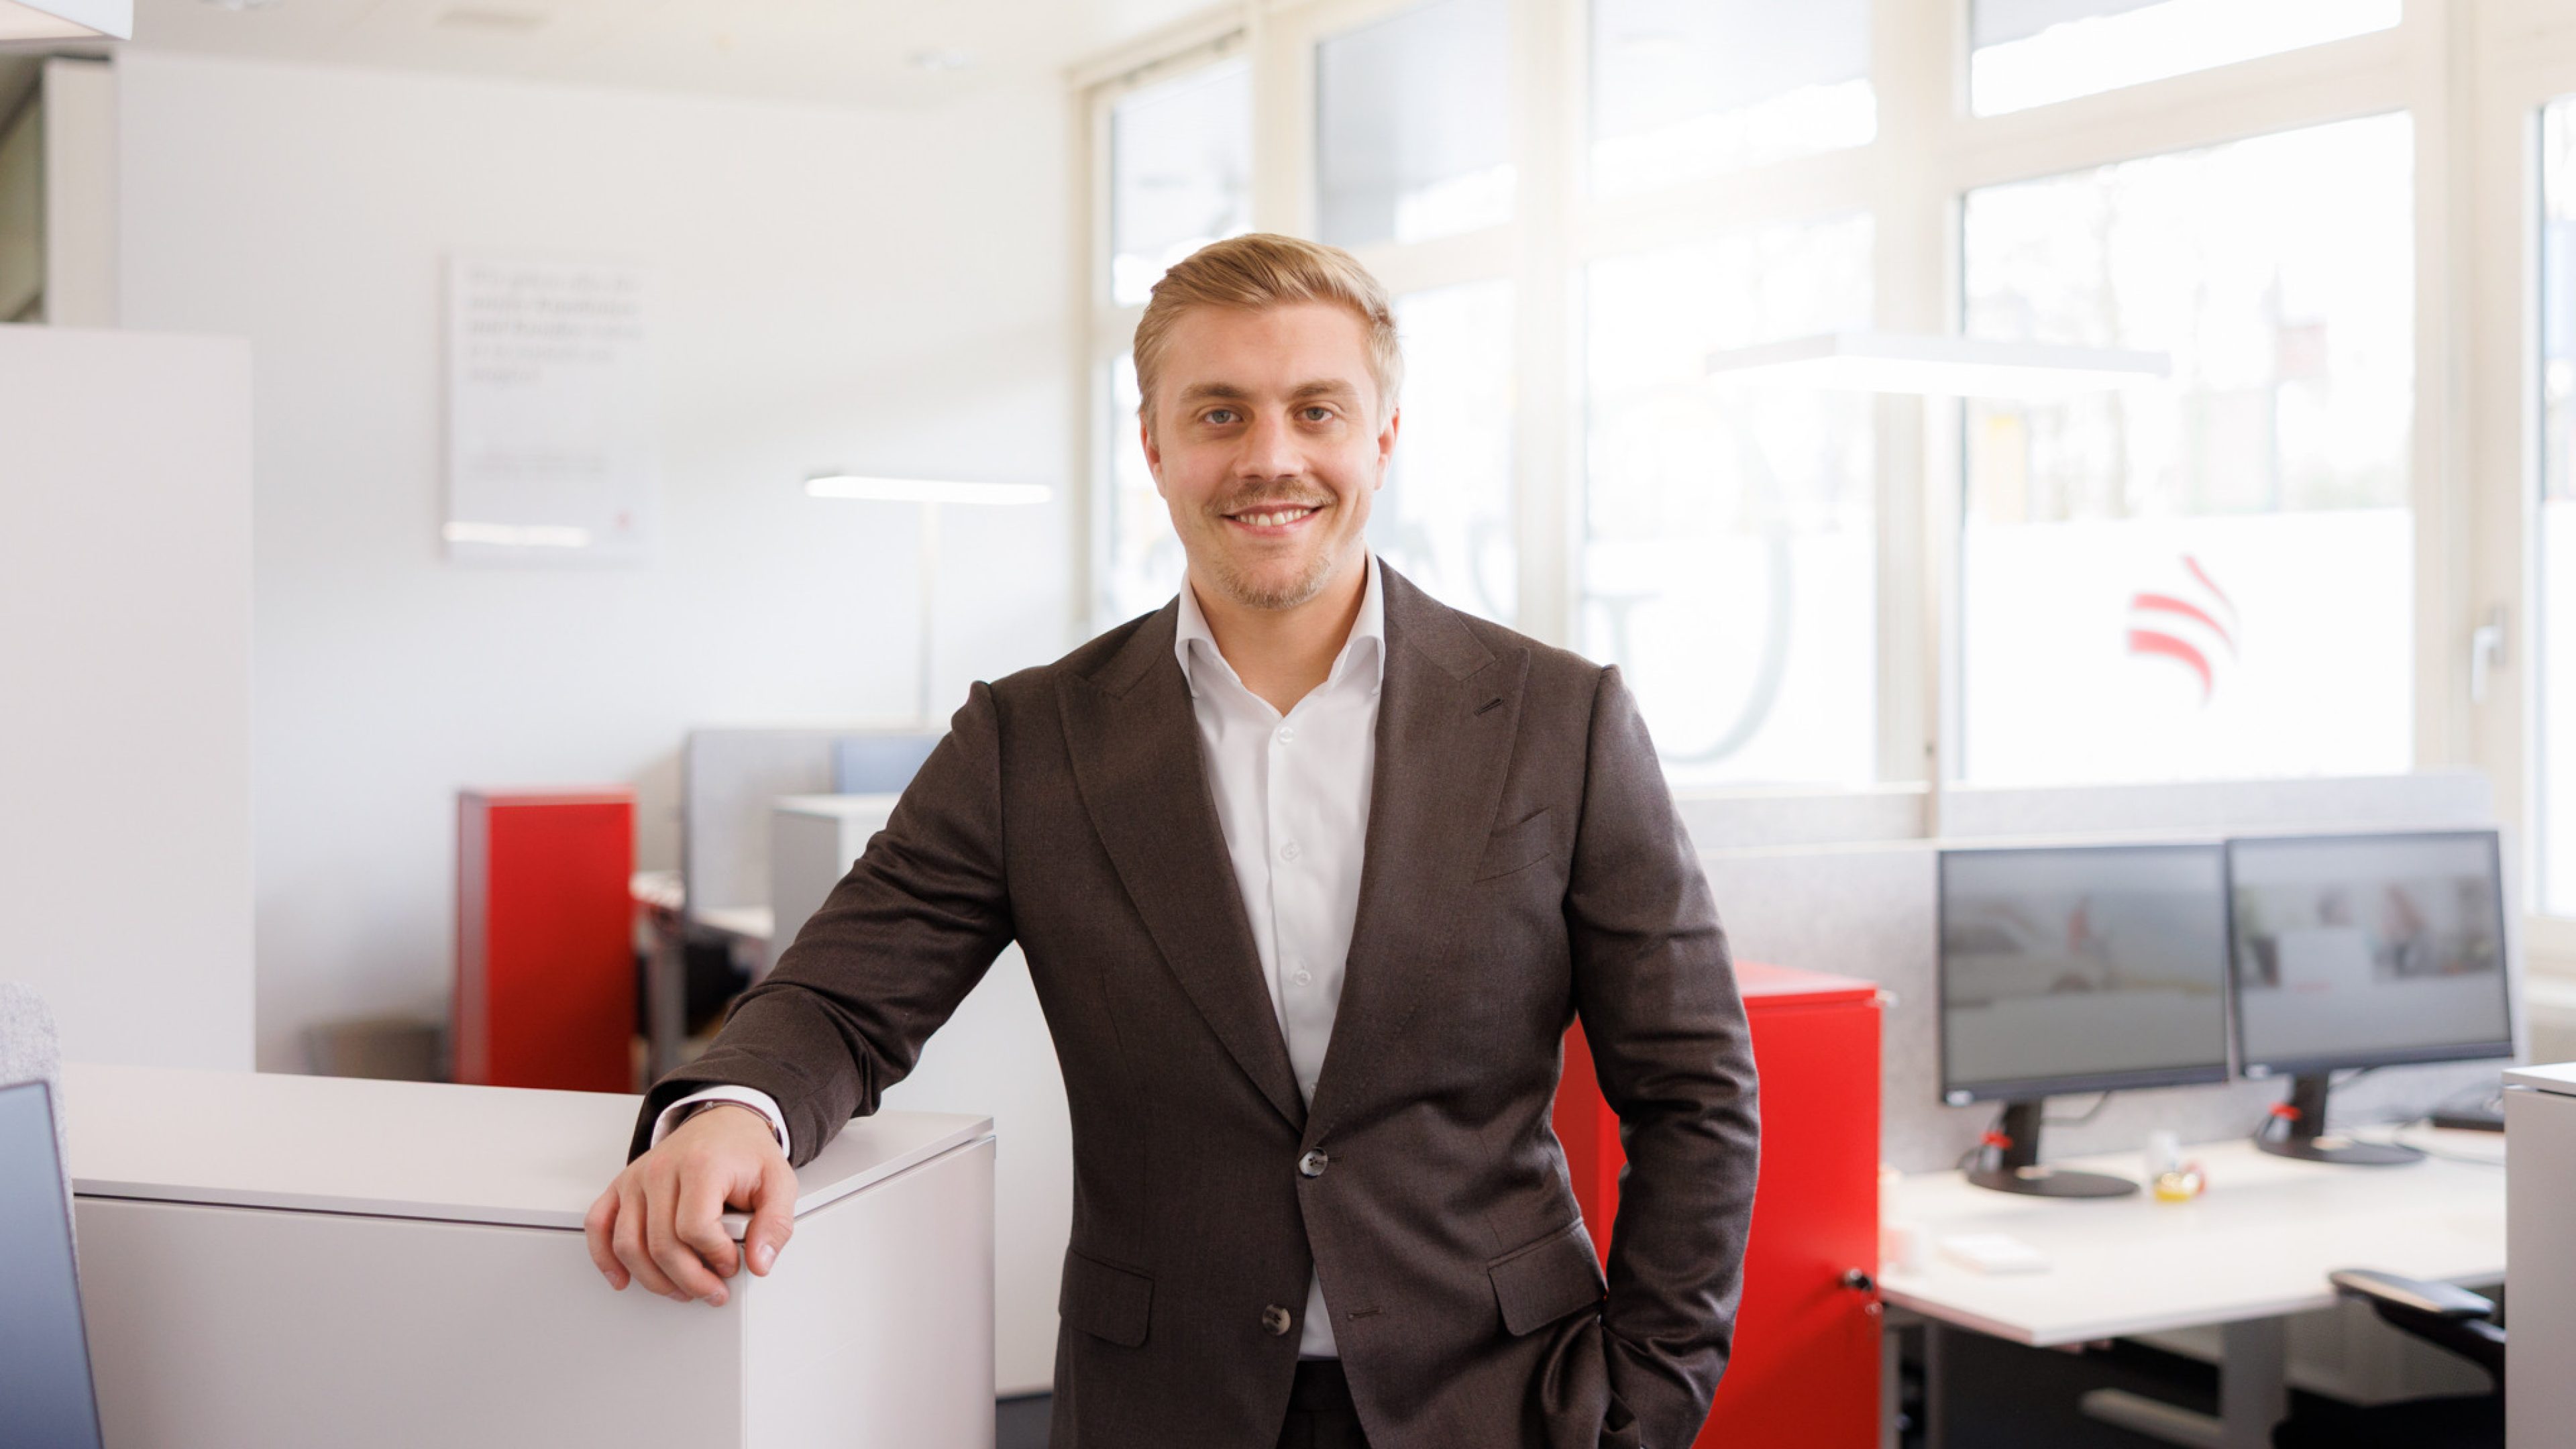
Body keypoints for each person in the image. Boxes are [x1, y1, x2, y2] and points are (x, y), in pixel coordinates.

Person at [585, 232, 1760, 1449]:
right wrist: (732, 1111)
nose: (1271, 458)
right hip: (1164, 1406)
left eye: (1317, 410)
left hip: (1506, 1400)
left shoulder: (1559, 721)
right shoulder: (1031, 738)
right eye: (1219, 414)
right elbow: (841, 996)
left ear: (1384, 438)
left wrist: (1646, 1402)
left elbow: (1695, 1090)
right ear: (1154, 446)